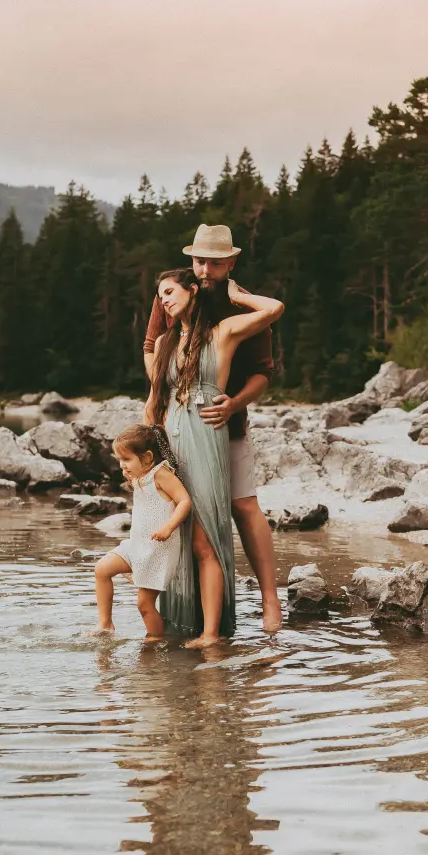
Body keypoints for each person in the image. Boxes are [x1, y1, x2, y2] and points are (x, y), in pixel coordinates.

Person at [144, 223, 284, 633]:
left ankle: (269, 600)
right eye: (199, 261)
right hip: (177, 424)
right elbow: (152, 347)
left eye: (215, 263)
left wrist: (234, 403)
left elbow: (263, 373)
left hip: (227, 423)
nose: (205, 270)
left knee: (242, 505)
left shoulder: (239, 311)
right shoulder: (172, 294)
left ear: (231, 263)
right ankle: (183, 613)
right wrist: (159, 395)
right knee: (178, 515)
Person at [93, 424, 193, 640]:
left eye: (127, 460)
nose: (122, 465)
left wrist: (169, 526)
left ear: (147, 458)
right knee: (102, 569)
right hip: (137, 545)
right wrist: (132, 477)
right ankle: (106, 623)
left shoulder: (161, 475)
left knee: (144, 605)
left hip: (157, 551)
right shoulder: (141, 476)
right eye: (119, 460)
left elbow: (184, 500)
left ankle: (155, 642)